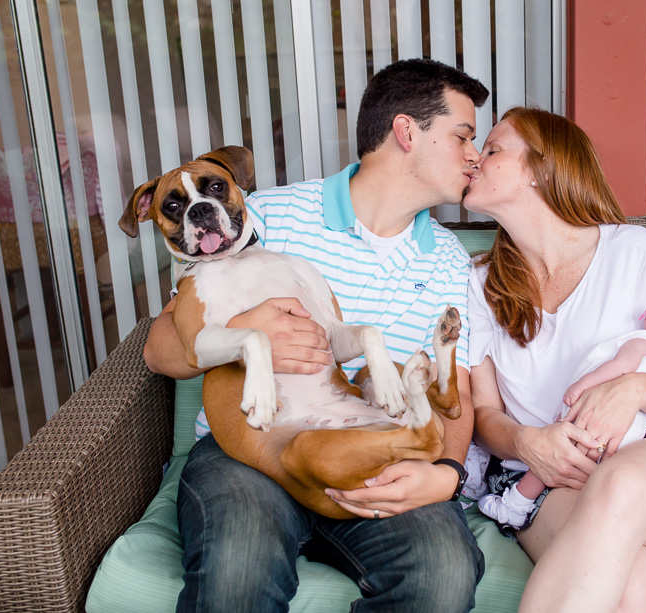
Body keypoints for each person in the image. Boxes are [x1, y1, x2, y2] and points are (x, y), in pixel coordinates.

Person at [143, 58, 489, 613]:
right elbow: (159, 351)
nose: (476, 156)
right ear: (406, 132)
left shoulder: (450, 260)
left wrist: (446, 475)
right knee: (236, 575)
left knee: (442, 575)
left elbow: (459, 391)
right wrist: (249, 331)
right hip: (244, 453)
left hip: (366, 445)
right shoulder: (265, 216)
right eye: (463, 136)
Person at [463, 106, 646, 612]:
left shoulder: (632, 251)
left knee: (621, 483)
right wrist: (530, 443)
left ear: (540, 170)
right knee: (633, 585)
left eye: (492, 149)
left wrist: (634, 389)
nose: (472, 157)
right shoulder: (478, 283)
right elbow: (485, 416)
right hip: (546, 470)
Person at [477, 301, 646, 528]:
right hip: (637, 433)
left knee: (556, 456)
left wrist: (582, 385)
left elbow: (620, 367)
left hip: (603, 418)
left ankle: (515, 506)